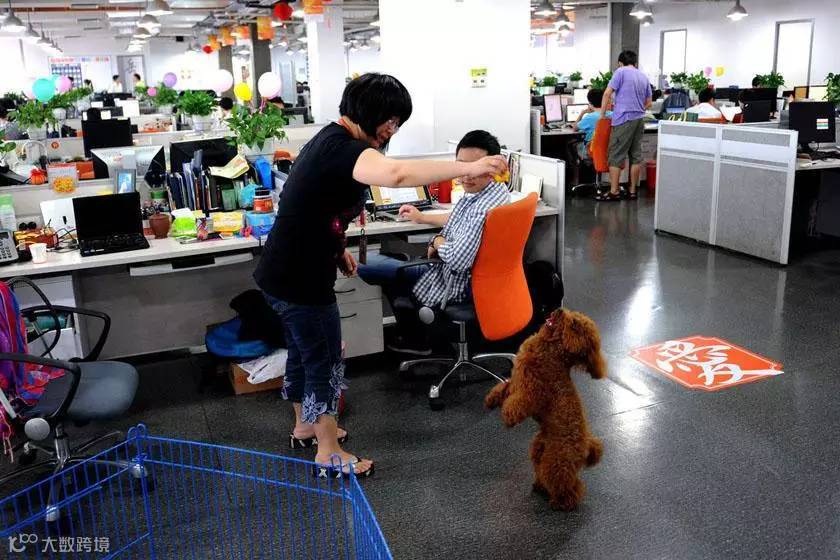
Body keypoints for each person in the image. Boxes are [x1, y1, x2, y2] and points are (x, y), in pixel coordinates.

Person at [254, 73, 507, 478]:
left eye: (397, 122)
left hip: (285, 270)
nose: (392, 130)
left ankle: (305, 427)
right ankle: (328, 451)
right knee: (323, 358)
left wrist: (337, 250)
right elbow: (397, 175)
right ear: (369, 111)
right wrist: (469, 165)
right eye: (390, 120)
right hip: (301, 278)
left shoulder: (331, 141)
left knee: (304, 351)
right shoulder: (343, 147)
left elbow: (312, 209)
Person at [357, 130, 510, 355]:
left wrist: (437, 241)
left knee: (364, 262)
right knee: (395, 265)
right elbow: (459, 218)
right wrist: (423, 218)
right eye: (462, 166)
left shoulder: (482, 205)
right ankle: (418, 328)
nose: (467, 175)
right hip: (474, 277)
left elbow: (458, 260)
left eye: (476, 167)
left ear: (492, 167)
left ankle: (418, 335)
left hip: (453, 280)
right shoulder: (493, 192)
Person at [596, 50, 652, 202]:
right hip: (639, 120)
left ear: (620, 63)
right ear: (635, 62)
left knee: (615, 155)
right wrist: (637, 108)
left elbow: (607, 93)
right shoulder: (643, 76)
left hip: (624, 119)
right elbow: (649, 103)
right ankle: (632, 191)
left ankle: (614, 191)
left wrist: (602, 115)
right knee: (636, 156)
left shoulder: (620, 72)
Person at [573, 89, 612, 158]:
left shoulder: (589, 117)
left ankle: (577, 165)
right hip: (609, 150)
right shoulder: (612, 115)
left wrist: (582, 113)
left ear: (590, 103)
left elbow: (575, 128)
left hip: (591, 150)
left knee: (571, 144)